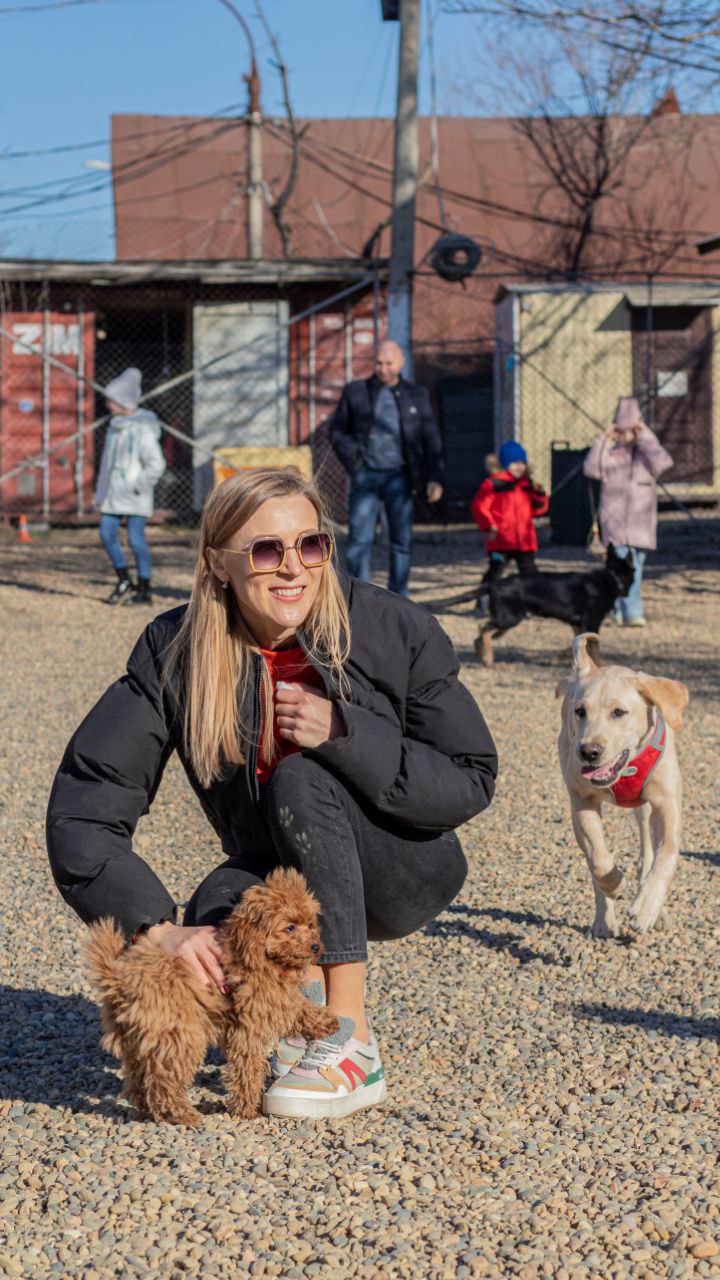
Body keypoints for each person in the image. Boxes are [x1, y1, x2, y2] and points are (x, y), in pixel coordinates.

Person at [47, 467, 498, 1120]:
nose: (293, 568)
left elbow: (470, 774)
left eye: (310, 545)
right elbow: (86, 806)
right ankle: (290, 1021)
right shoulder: (176, 650)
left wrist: (345, 734)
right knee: (215, 913)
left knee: (303, 773)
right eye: (266, 550)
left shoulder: (391, 629)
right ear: (219, 564)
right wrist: (159, 930)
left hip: (402, 867)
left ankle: (347, 1039)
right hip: (283, 866)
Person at [329, 340, 444, 596]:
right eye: (379, 363)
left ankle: (398, 597)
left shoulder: (417, 395)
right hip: (366, 476)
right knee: (359, 541)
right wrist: (354, 461)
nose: (383, 369)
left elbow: (431, 438)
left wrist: (435, 477)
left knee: (401, 542)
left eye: (389, 363)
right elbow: (337, 430)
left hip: (400, 477)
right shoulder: (356, 392)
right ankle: (358, 598)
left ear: (401, 363)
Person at [583, 397, 673, 628]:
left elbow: (663, 462)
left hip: (640, 524)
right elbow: (592, 468)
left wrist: (644, 435)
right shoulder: (613, 457)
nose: (625, 436)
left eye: (630, 431)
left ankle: (628, 610)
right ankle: (622, 611)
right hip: (615, 523)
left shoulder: (647, 458)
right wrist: (603, 438)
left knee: (636, 569)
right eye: (621, 431)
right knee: (616, 568)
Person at [95, 367, 166, 606]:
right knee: (106, 533)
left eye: (111, 399)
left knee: (136, 541)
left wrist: (138, 486)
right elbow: (107, 465)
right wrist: (101, 492)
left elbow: (156, 464)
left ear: (123, 400)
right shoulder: (115, 427)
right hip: (113, 494)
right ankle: (123, 579)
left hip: (135, 494)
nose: (107, 404)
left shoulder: (143, 428)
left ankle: (144, 589)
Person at [470, 440, 549, 589]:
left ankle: (533, 601)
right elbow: (479, 506)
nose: (520, 466)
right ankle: (484, 600)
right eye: (515, 463)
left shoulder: (527, 484)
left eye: (522, 463)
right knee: (495, 571)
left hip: (524, 540)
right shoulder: (494, 484)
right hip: (501, 539)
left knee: (530, 572)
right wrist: (489, 526)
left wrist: (540, 494)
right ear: (505, 464)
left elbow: (539, 509)